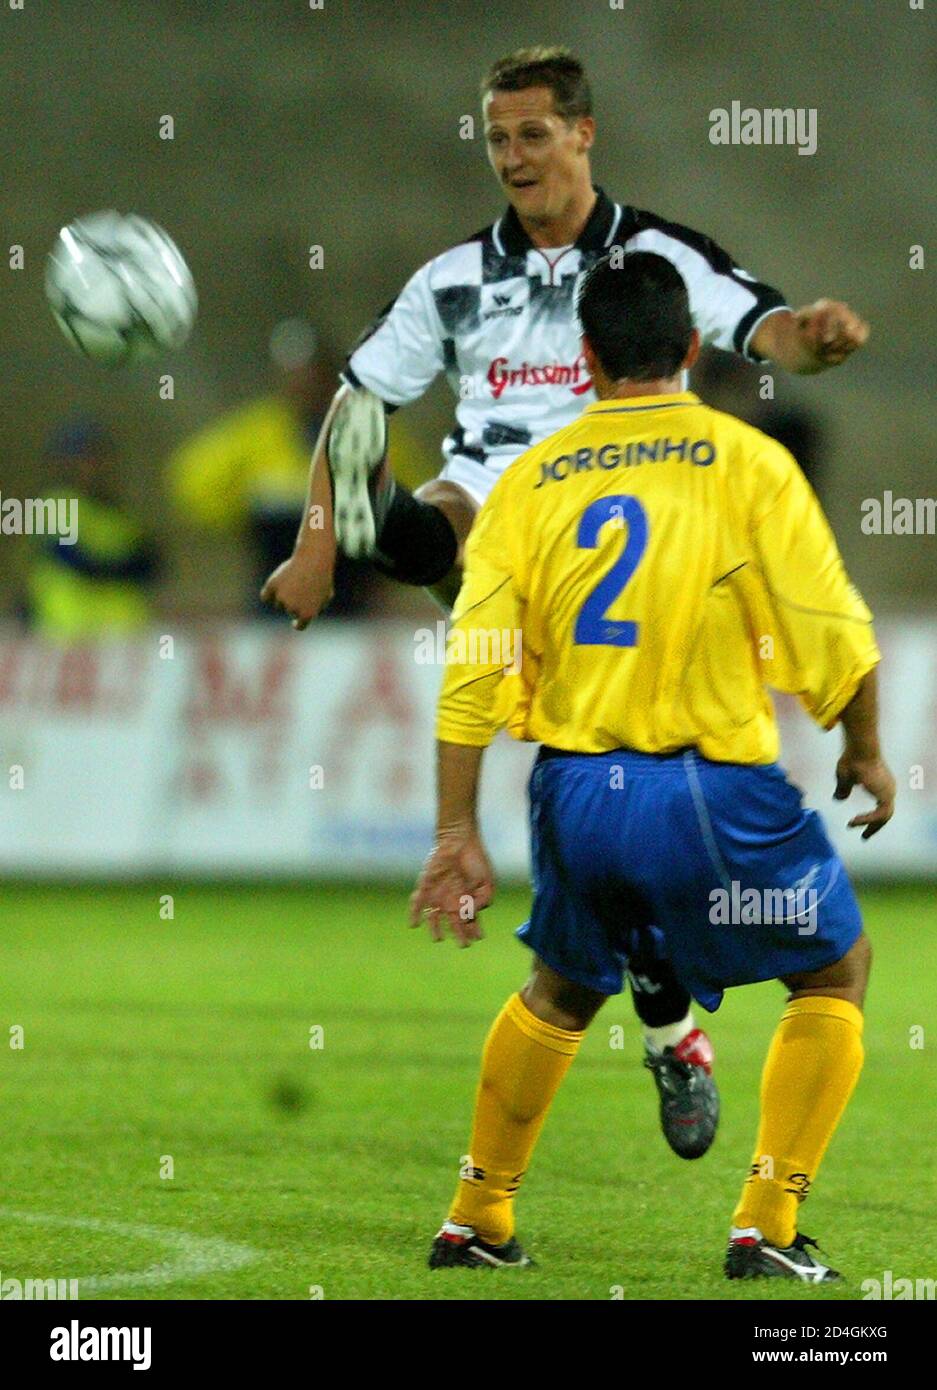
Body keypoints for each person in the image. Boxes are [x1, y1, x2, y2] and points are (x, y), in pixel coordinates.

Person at [262, 46, 870, 1153]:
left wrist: (812, 339)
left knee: (605, 839)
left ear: (583, 135)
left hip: (633, 545)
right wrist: (318, 549)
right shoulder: (452, 279)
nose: (513, 158)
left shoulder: (655, 257)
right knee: (433, 512)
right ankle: (389, 534)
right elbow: (358, 402)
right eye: (497, 139)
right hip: (500, 521)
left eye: (533, 135)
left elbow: (761, 327)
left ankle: (662, 1019)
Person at [410, 251, 894, 1280]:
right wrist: (864, 749)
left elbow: (475, 663)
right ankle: (765, 1222)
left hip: (575, 787)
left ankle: (477, 1215)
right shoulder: (746, 460)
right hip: (705, 787)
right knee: (833, 966)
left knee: (561, 987)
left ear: (582, 358)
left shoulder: (532, 478)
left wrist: (457, 830)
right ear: (689, 348)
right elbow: (833, 630)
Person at [167, 319, 430, 616]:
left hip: (351, 603)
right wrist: (243, 510)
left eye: (310, 371)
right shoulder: (255, 433)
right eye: (293, 373)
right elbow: (192, 482)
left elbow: (415, 505)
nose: (303, 382)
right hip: (276, 597)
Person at [25, 416, 160, 641]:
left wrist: (130, 566)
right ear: (63, 464)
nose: (91, 466)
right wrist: (125, 567)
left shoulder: (120, 515)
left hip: (124, 632)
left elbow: (151, 565)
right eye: (82, 458)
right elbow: (72, 559)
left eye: (97, 458)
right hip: (67, 630)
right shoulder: (56, 504)